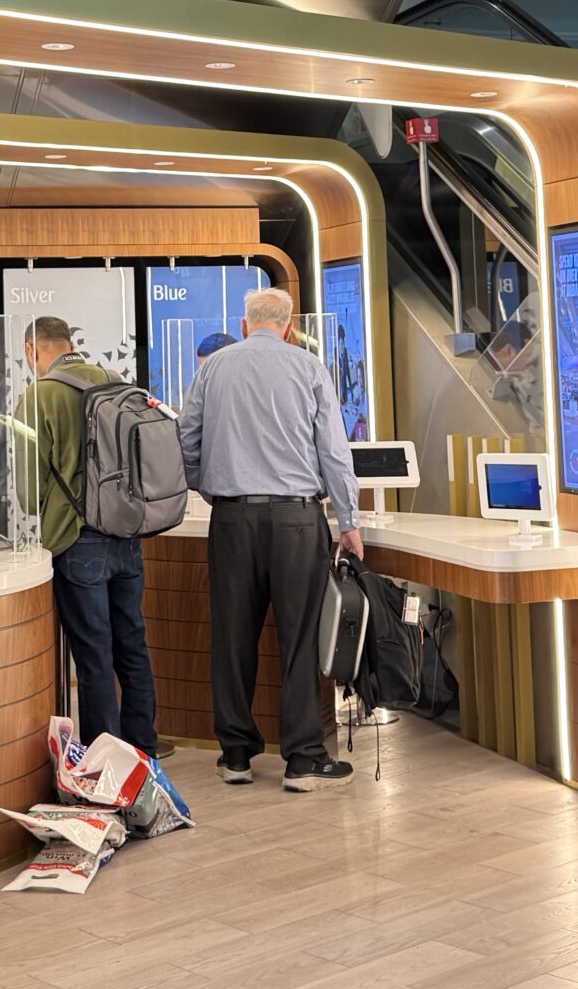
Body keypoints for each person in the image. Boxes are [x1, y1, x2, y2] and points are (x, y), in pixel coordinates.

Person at [178, 287, 362, 790]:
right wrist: (349, 520)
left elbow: (185, 439)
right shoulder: (309, 369)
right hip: (298, 520)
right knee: (300, 638)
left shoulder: (213, 368)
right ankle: (303, 759)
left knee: (232, 635)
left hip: (232, 520)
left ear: (244, 325)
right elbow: (333, 452)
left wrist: (210, 484)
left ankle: (235, 755)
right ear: (288, 326)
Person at [19, 316, 157, 754]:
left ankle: (105, 761)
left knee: (94, 657)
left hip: (77, 542)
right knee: (132, 647)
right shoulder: (115, 382)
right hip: (127, 536)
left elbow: (26, 489)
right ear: (70, 341)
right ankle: (143, 751)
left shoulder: (41, 394)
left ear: (32, 350)